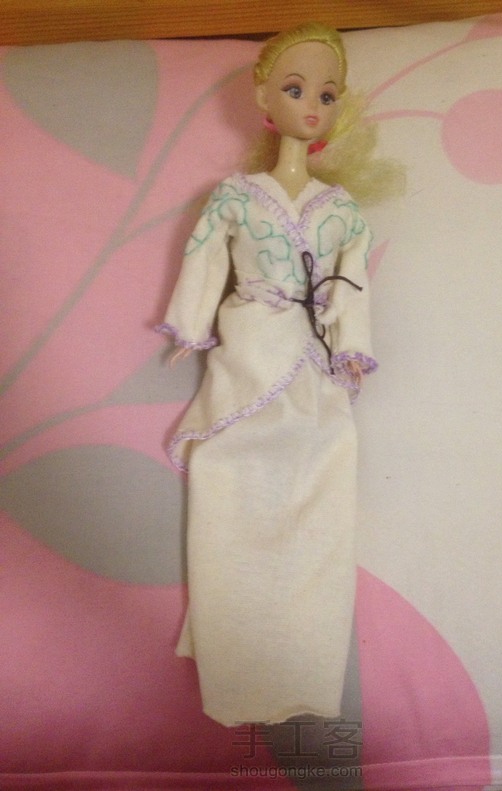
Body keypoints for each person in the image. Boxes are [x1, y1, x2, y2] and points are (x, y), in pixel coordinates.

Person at [157, 21, 398, 727]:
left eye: (326, 93)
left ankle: (302, 661)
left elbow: (352, 285)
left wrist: (351, 346)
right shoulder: (235, 196)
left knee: (320, 495)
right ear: (263, 96)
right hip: (248, 350)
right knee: (229, 484)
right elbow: (205, 256)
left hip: (315, 365)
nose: (312, 105)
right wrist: (190, 325)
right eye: (295, 88)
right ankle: (235, 650)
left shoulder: (341, 209)